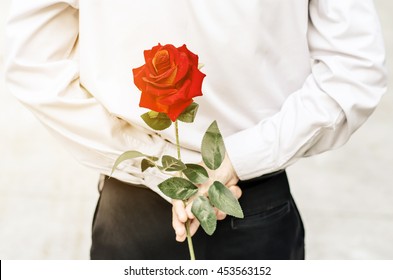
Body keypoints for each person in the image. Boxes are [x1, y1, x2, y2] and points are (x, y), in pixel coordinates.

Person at [4, 0, 387, 260]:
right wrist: (241, 157)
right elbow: (355, 70)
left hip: (137, 206)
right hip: (251, 197)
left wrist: (154, 163)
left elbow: (30, 60)